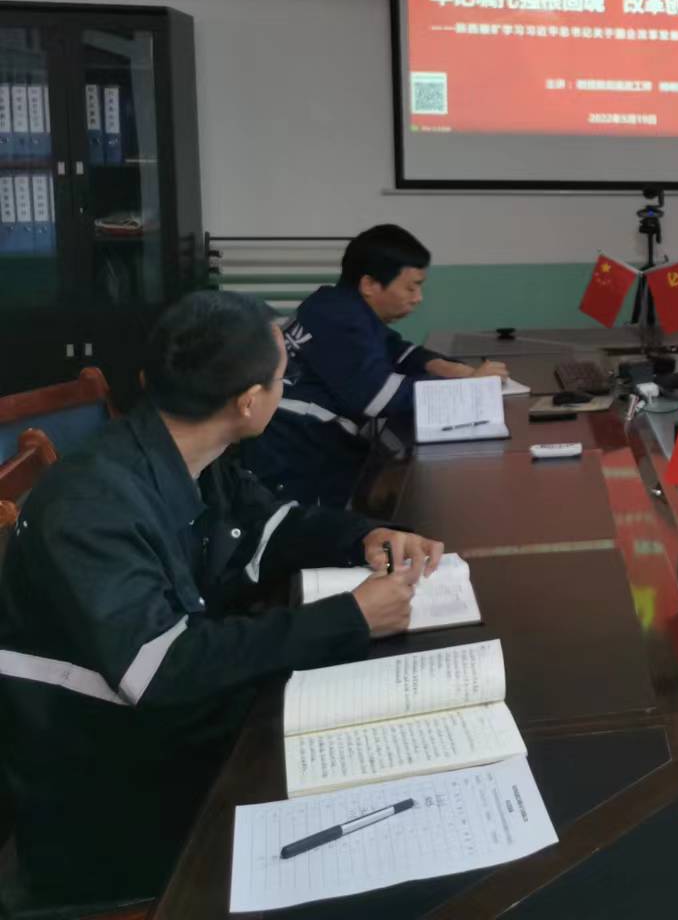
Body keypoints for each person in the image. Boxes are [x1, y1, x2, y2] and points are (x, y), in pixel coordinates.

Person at [0, 291, 441, 903]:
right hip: (111, 789)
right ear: (249, 402)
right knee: (379, 837)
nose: (287, 388)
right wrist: (351, 617)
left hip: (169, 733)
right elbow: (162, 668)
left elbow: (269, 523)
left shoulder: (183, 450)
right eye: (283, 377)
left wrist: (364, 536)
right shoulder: (91, 505)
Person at [245, 224, 508, 506]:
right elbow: (379, 398)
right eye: (411, 287)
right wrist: (465, 388)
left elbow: (396, 349)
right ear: (369, 284)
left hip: (301, 443)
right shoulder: (341, 319)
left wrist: (447, 368)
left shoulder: (337, 304)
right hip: (296, 453)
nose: (417, 298)